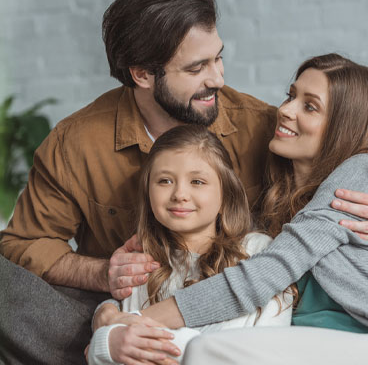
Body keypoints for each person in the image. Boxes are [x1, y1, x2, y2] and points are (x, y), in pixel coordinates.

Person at [0, 0, 368, 301]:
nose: (218, 79)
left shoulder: (263, 127)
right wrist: (101, 275)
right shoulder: (75, 144)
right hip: (137, 310)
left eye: (218, 58)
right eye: (196, 68)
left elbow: (341, 184)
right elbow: (22, 244)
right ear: (143, 74)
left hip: (243, 307)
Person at [95, 54, 368, 364]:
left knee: (207, 353)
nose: (284, 110)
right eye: (291, 96)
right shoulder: (278, 200)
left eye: (309, 106)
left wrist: (135, 322)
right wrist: (108, 311)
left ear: (344, 125)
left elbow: (261, 277)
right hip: (308, 349)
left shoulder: (361, 172)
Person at [86, 125, 292, 365]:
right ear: (147, 192)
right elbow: (119, 351)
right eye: (165, 181)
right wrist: (105, 341)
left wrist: (112, 334)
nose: (179, 194)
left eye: (197, 181)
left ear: (226, 191)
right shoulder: (142, 262)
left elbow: (264, 348)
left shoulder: (258, 251)